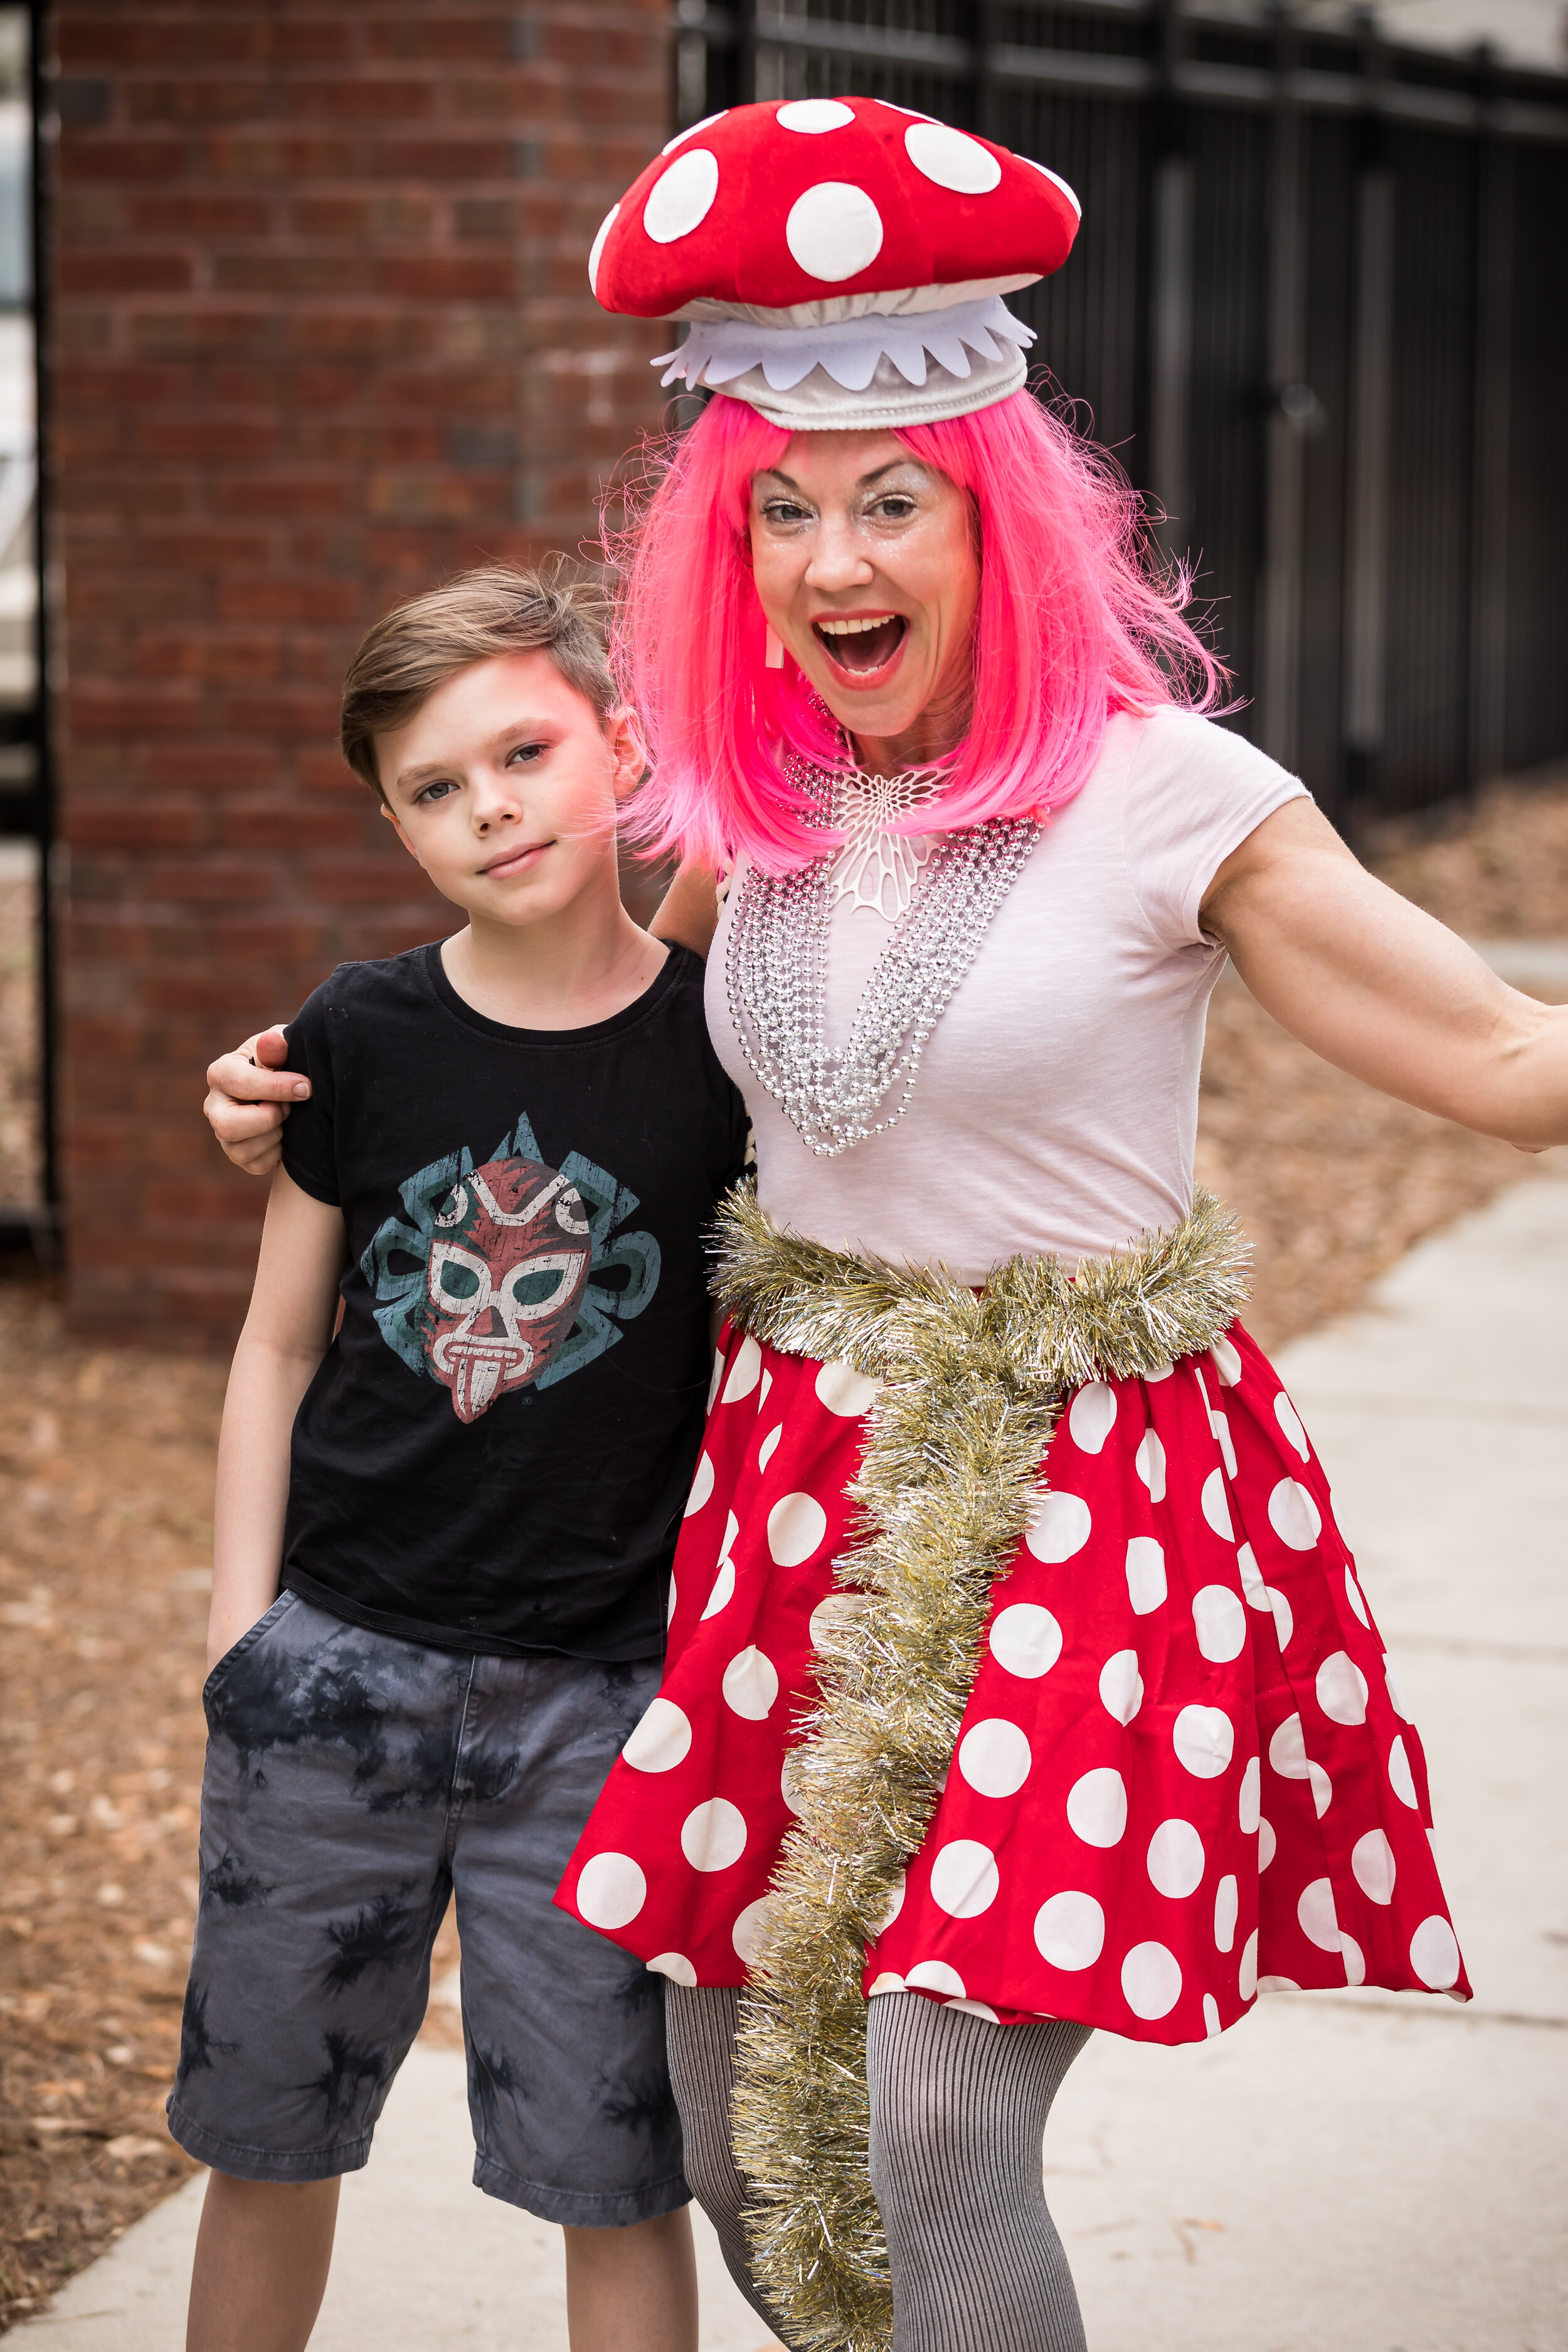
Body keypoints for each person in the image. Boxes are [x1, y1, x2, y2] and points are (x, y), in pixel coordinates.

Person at [204, 102, 1568, 2352]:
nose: (838, 558)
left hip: (1080, 1497)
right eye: (780, 511)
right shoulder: (755, 812)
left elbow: (1509, 1061)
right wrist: (299, 1101)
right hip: (794, 1503)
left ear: (997, 521)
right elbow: (590, 1070)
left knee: (932, 2112)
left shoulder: (1176, 801)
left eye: (895, 500)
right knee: (734, 2113)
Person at [176, 565, 750, 2352]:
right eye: (435, 787)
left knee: (614, 2172)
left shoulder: (721, 1053)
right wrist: (238, 1636)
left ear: (622, 746)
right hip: (332, 1669)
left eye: (524, 752)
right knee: (268, 2139)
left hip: (597, 1709)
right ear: (393, 822)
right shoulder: (358, 1035)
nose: (489, 806)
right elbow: (279, 1347)